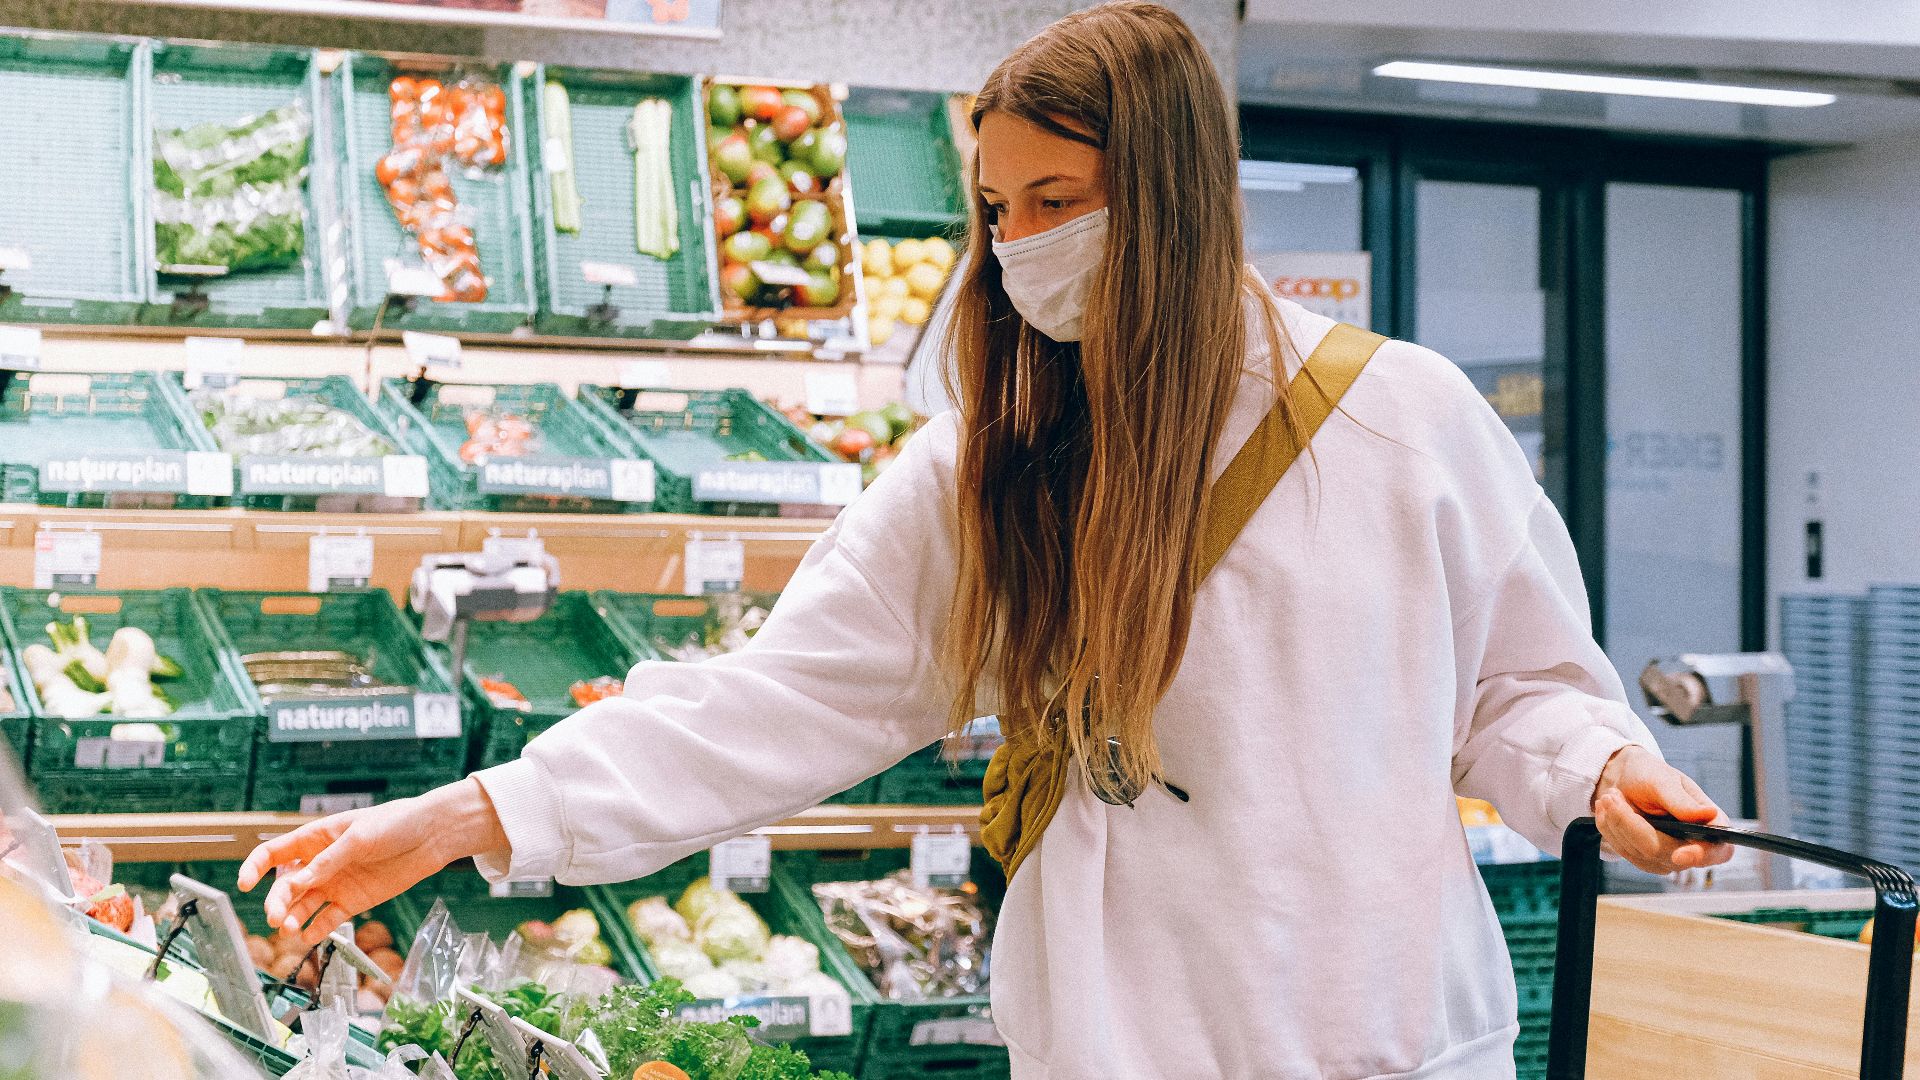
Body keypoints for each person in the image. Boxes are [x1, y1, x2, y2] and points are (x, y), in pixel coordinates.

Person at [241, 4, 1733, 1077]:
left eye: (1059, 203)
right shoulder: (998, 465)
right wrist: (464, 817)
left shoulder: (1406, 422)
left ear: (1174, 197)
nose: (1019, 248)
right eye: (997, 210)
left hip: (1378, 1032)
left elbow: (1521, 687)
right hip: (1116, 1031)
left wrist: (1601, 772)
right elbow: (781, 698)